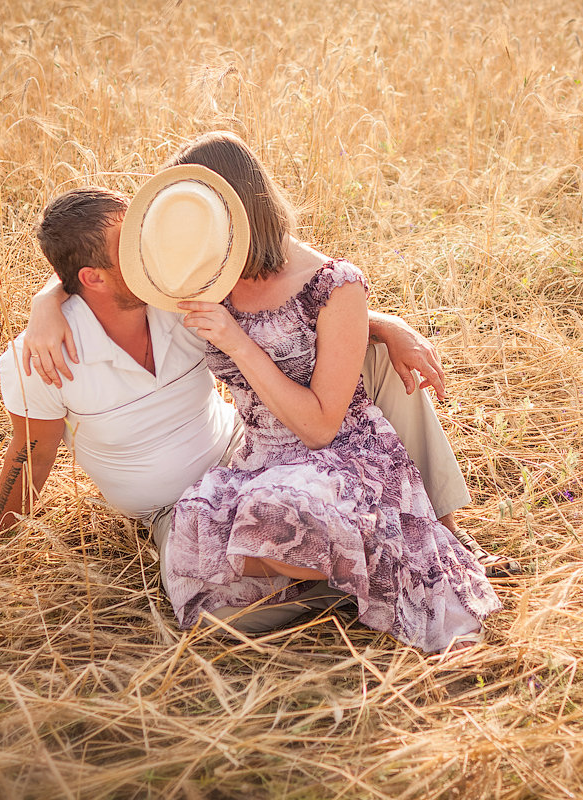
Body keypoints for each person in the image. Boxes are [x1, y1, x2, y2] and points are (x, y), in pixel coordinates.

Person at [0, 182, 506, 636]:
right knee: (218, 621)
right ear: (92, 279)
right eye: (131, 247)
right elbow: (30, 455)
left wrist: (388, 326)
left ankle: (444, 537)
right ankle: (364, 568)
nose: (153, 249)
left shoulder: (176, 298)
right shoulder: (48, 355)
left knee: (377, 364)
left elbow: (295, 317)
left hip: (254, 460)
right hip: (175, 510)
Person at [150, 132, 501, 652]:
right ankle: (340, 584)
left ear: (241, 212)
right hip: (257, 461)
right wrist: (49, 307)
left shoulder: (334, 283)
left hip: (337, 456)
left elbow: (319, 427)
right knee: (195, 540)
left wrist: (237, 340)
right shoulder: (206, 274)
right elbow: (105, 253)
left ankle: (366, 561)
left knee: (275, 517)